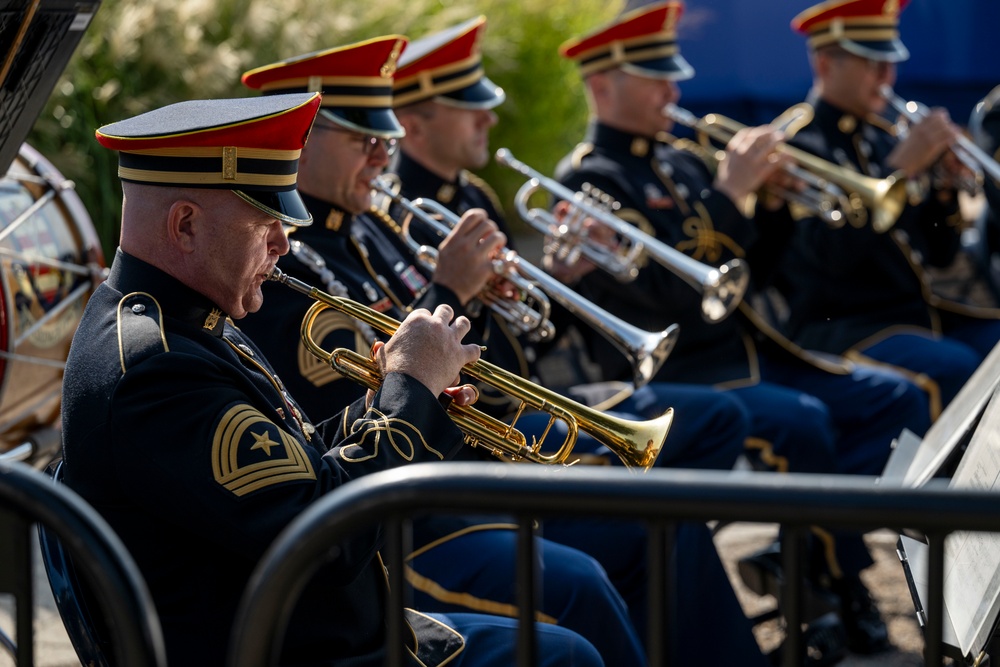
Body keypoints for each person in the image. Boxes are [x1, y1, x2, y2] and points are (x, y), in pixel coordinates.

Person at [59, 91, 603, 667]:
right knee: (569, 656)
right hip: (304, 651)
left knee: (569, 646)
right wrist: (407, 393)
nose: (284, 243)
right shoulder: (156, 365)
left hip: (330, 634)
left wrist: (397, 395)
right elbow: (326, 536)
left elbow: (292, 468)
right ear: (186, 224)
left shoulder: (187, 315)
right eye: (266, 220)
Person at [236, 36, 644, 666]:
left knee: (653, 528)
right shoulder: (285, 261)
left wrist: (483, 298)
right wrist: (450, 288)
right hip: (401, 524)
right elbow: (352, 405)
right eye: (361, 140)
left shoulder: (374, 227)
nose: (381, 157)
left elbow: (505, 372)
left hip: (459, 475)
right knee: (580, 588)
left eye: (385, 140)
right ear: (300, 140)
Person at [385, 17, 772, 666]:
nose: (488, 121)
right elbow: (416, 359)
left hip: (526, 405)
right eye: (468, 109)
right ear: (415, 124)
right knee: (657, 517)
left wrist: (556, 283)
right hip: (479, 444)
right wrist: (455, 290)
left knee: (691, 467)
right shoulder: (397, 216)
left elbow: (525, 334)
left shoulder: (473, 194)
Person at [554, 1, 933, 657]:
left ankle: (801, 556)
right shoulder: (593, 178)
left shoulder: (682, 160)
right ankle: (838, 586)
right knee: (804, 419)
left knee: (893, 399)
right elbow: (658, 304)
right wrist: (731, 196)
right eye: (655, 79)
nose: (674, 92)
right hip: (685, 372)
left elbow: (757, 270)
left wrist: (776, 204)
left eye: (672, 75)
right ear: (602, 85)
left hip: (754, 352)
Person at [776, 0, 1000, 415]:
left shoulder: (882, 137)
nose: (886, 77)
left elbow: (940, 254)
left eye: (890, 63)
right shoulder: (796, 145)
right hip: (842, 328)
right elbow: (827, 260)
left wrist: (945, 188)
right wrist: (899, 168)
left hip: (914, 319)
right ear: (826, 64)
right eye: (872, 64)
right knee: (955, 367)